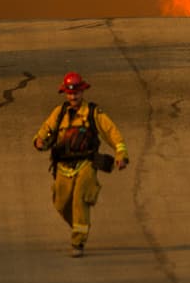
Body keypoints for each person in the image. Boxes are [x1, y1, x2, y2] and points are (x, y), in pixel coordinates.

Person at [32, 72, 129, 257]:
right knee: (61, 204)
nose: (73, 97)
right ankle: (80, 225)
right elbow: (45, 131)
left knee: (80, 200)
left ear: (82, 92)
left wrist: (121, 154)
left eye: (76, 93)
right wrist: (39, 141)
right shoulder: (59, 113)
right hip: (63, 167)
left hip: (86, 164)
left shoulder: (93, 113)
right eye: (69, 93)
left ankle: (78, 242)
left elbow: (112, 133)